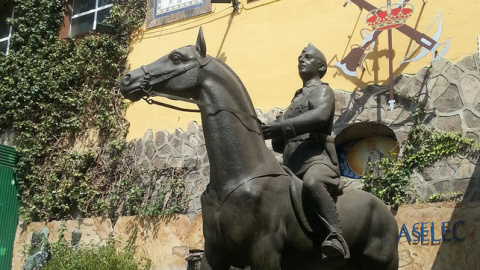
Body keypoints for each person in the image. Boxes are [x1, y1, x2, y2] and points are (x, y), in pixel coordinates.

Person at [261, 43, 347, 259]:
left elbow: (319, 116)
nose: (301, 60)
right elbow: (281, 143)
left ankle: (335, 236)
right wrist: (272, 133)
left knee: (312, 183)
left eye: (307, 57)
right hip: (291, 164)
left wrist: (280, 127)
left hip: (316, 161)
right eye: (300, 57)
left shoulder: (322, 90)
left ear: (320, 66)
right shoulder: (295, 100)